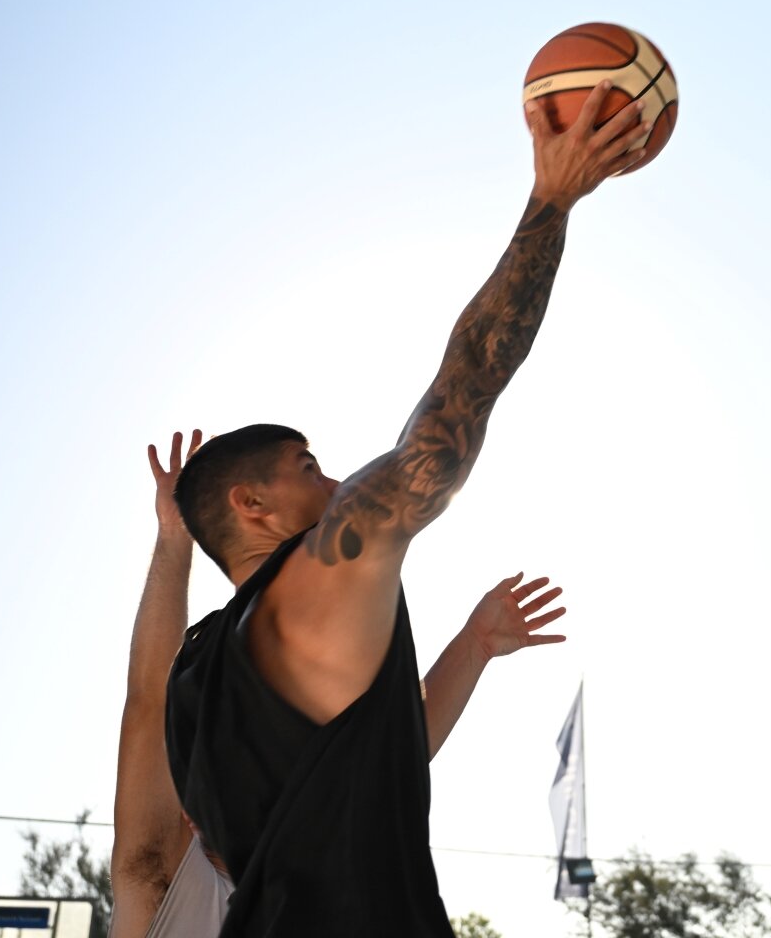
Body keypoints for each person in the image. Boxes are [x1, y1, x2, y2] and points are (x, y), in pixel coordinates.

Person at [164, 84, 643, 936]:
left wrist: (473, 645)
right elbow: (459, 399)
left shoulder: (199, 675)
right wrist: (552, 200)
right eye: (306, 467)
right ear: (252, 505)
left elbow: (386, 759)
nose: (333, 479)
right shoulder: (306, 589)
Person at [115, 430, 568, 938]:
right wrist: (175, 537)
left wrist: (474, 646)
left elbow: (391, 748)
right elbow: (149, 703)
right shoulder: (170, 890)